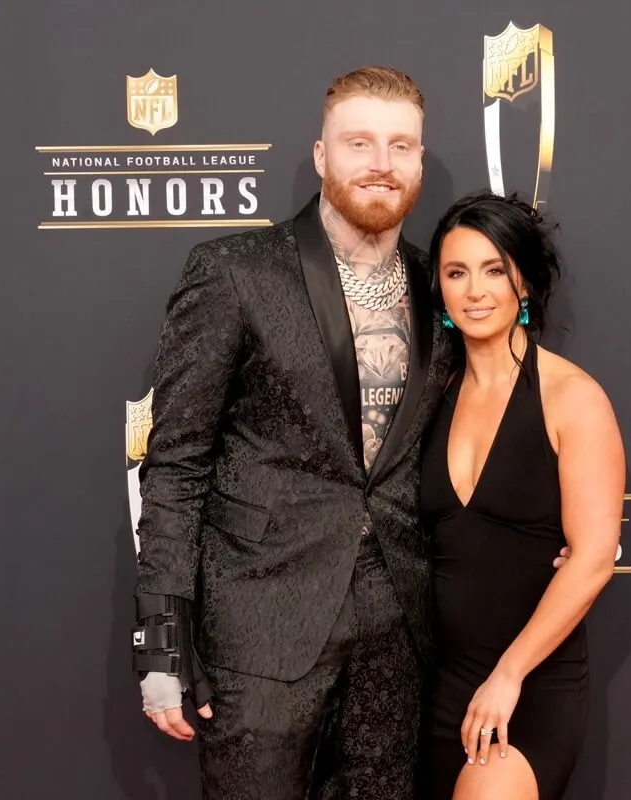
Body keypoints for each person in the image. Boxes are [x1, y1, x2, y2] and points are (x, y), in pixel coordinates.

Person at [129, 66, 571, 799]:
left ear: (420, 163)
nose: (380, 163)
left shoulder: (443, 290)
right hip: (260, 626)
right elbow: (174, 466)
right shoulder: (236, 271)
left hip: (400, 631)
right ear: (322, 154)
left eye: (402, 146)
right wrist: (161, 644)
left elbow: (496, 418)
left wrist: (552, 529)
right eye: (359, 142)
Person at [420, 191, 625, 800]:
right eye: (457, 272)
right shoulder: (431, 398)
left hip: (530, 682)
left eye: (494, 271)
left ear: (525, 285)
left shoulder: (572, 398)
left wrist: (508, 674)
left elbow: (592, 559)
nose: (475, 291)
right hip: (442, 684)